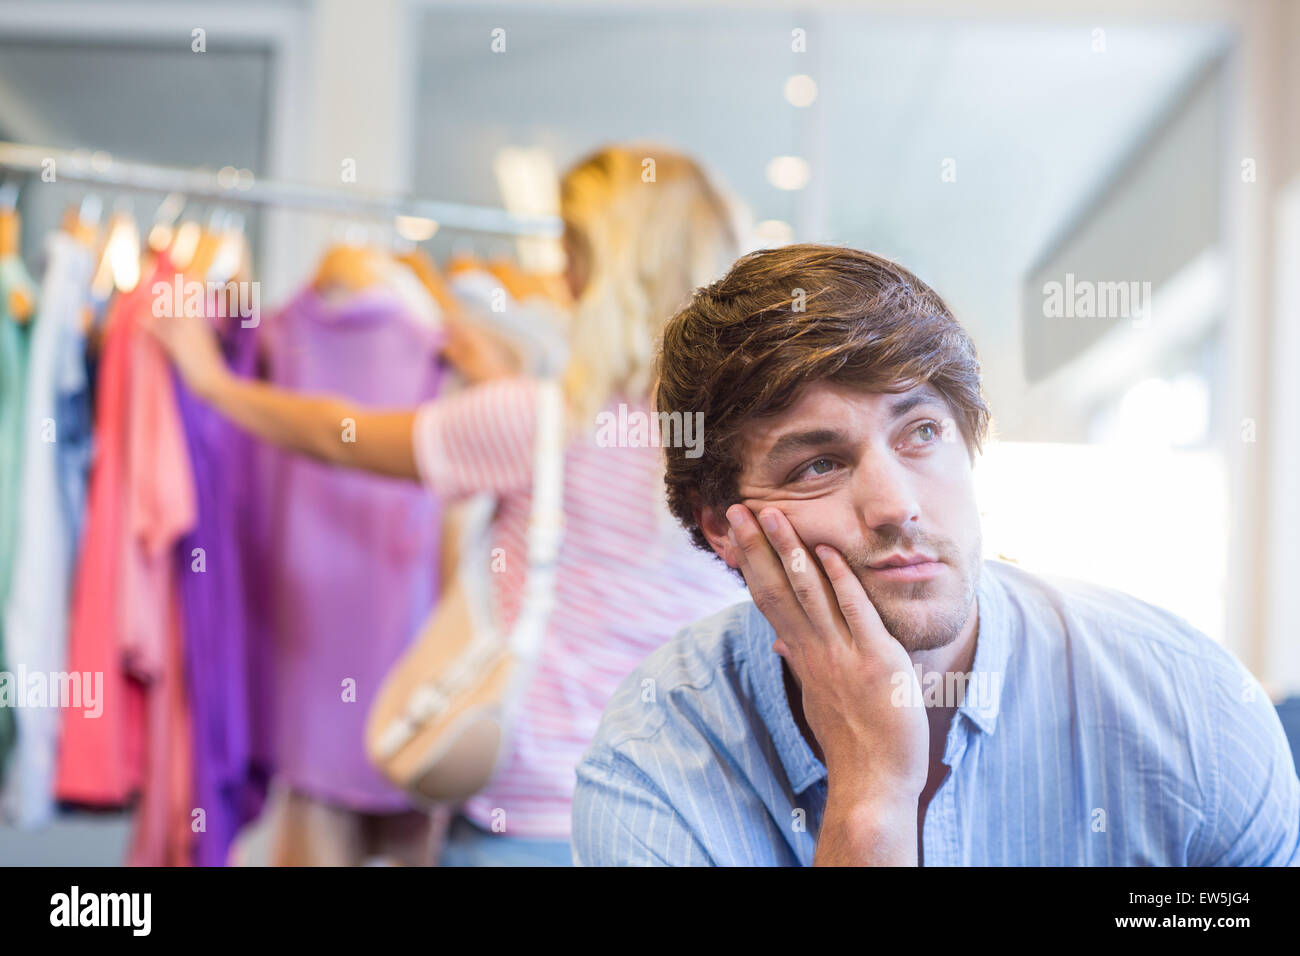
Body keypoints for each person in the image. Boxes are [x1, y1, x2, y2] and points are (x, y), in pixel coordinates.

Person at [570, 243, 1300, 866]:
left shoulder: (1192, 708)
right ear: (723, 526)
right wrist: (869, 799)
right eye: (817, 464)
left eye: (921, 432)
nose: (895, 506)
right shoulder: (655, 755)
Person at [146, 144, 749, 866]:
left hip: (528, 820)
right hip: (684, 818)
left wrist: (216, 386)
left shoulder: (543, 420)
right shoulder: (743, 445)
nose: (558, 276)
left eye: (571, 253)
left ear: (607, 269)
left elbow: (344, 437)